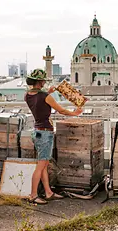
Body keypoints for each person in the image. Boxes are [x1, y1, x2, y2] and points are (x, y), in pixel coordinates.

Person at [25, 69, 83, 205]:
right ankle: (33, 195)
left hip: (37, 131)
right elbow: (61, 110)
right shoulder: (46, 96)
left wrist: (49, 93)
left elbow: (39, 100)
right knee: (40, 166)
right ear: (41, 81)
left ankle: (48, 192)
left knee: (43, 164)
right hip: (45, 132)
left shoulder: (27, 95)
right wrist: (75, 113)